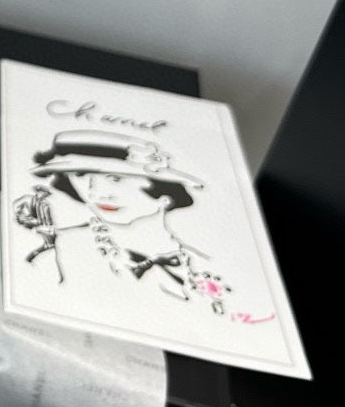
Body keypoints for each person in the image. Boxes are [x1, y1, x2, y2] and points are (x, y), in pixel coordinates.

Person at [12, 130, 230, 312]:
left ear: (164, 194)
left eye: (116, 179)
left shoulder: (205, 264)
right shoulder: (60, 253)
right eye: (81, 176)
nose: (96, 192)